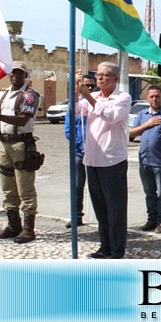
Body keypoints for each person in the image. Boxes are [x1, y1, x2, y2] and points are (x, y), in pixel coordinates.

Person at [75, 62, 131, 259]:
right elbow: (74, 111)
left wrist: (88, 97)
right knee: (100, 208)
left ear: (115, 78)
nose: (100, 78)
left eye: (105, 75)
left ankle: (117, 250)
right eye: (98, 74)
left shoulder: (123, 97)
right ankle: (105, 246)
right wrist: (76, 90)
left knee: (115, 209)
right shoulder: (94, 97)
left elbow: (112, 116)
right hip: (92, 160)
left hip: (112, 160)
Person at [0, 61, 41, 244]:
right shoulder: (2, 95)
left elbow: (23, 120)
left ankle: (28, 229)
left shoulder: (30, 95)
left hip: (21, 145)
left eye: (20, 73)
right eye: (13, 73)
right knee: (8, 187)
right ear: (9, 75)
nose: (16, 76)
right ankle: (13, 225)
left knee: (25, 188)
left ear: (25, 76)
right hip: (4, 144)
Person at [130, 85, 161, 234]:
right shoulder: (142, 114)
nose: (154, 99)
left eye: (157, 96)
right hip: (144, 161)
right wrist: (148, 124)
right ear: (147, 98)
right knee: (149, 193)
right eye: (151, 96)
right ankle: (151, 219)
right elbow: (132, 133)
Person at [63, 74, 96, 228]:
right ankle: (76, 216)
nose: (89, 88)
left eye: (92, 86)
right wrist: (82, 146)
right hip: (79, 153)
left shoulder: (97, 103)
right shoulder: (76, 105)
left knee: (97, 187)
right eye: (86, 85)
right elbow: (69, 130)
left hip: (96, 153)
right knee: (77, 186)